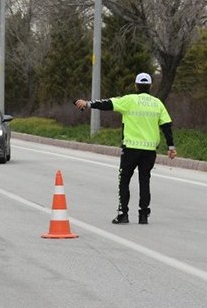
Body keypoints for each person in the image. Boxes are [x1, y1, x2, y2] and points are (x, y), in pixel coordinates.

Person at [75, 73, 177, 224]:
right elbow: (166, 126)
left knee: (124, 180)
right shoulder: (157, 103)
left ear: (136, 85)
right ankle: (143, 215)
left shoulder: (129, 100)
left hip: (130, 148)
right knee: (144, 180)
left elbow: (107, 103)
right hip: (149, 150)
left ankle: (123, 214)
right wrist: (171, 147)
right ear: (150, 86)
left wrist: (88, 104)